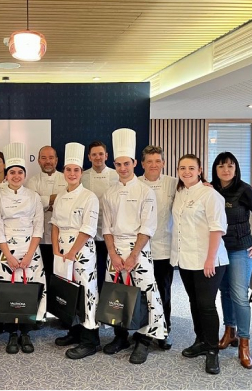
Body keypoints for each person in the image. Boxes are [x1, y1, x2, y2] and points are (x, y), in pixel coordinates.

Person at [102, 128, 166, 365]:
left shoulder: (145, 191)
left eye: (126, 163)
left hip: (138, 252)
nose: (122, 168)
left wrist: (133, 255)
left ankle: (144, 340)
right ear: (114, 164)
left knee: (145, 295)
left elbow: (147, 227)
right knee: (117, 295)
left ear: (134, 163)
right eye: (118, 164)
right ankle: (120, 336)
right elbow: (106, 228)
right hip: (115, 251)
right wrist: (112, 253)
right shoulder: (109, 193)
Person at [171, 153, 228, 375]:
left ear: (200, 170)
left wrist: (210, 259)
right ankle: (201, 340)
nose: (186, 172)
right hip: (186, 260)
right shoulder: (180, 193)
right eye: (182, 168)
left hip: (210, 260)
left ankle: (213, 350)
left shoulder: (210, 194)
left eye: (191, 168)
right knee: (194, 302)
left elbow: (217, 228)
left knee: (206, 304)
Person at [0, 142, 47, 354]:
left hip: (30, 251)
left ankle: (26, 333)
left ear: (24, 174)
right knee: (8, 292)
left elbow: (38, 229)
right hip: (5, 252)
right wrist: (9, 257)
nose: (16, 176)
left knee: (29, 292)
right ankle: (12, 333)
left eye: (19, 172)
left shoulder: (33, 197)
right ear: (6, 175)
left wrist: (29, 255)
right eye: (12, 172)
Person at [51, 142, 101, 360]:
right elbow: (54, 225)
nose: (72, 173)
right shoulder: (60, 196)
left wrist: (72, 253)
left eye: (76, 170)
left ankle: (91, 339)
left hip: (81, 251)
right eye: (68, 169)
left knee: (86, 291)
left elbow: (88, 229)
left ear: (81, 172)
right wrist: (56, 250)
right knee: (68, 290)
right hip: (61, 250)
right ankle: (75, 330)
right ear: (64, 172)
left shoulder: (89, 197)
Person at [211, 151, 252, 369]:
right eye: (221, 166)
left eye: (230, 166)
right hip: (218, 250)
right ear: (215, 169)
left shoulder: (245, 190)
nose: (226, 170)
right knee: (224, 292)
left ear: (236, 168)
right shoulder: (210, 189)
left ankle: (244, 343)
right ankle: (230, 331)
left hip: (239, 249)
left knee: (239, 295)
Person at [139, 145, 177, 350]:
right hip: (140, 249)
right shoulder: (135, 184)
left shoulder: (173, 183)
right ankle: (142, 330)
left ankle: (164, 330)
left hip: (164, 248)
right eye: (149, 161)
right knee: (142, 292)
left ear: (163, 162)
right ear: (143, 163)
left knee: (163, 291)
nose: (154, 165)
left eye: (157, 161)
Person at [26, 146, 67, 287]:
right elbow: (32, 205)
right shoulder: (32, 181)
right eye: (44, 158)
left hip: (62, 239)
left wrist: (43, 202)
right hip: (39, 240)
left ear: (56, 160)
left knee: (59, 278)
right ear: (38, 161)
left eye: (51, 158)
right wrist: (56, 199)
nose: (47, 161)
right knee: (40, 276)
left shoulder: (66, 178)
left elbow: (69, 203)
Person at [81, 141, 118, 293]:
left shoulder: (116, 175)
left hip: (112, 234)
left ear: (106, 156)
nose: (98, 157)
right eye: (94, 154)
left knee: (108, 273)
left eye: (101, 154)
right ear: (89, 157)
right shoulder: (82, 176)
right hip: (87, 234)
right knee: (89, 272)